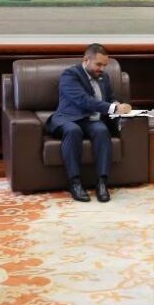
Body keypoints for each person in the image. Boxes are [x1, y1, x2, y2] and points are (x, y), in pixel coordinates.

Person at [46, 44, 132, 203]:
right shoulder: (70, 75)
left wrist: (118, 104)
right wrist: (113, 108)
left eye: (104, 65)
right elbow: (83, 100)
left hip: (91, 120)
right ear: (86, 60)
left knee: (102, 131)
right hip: (69, 118)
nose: (102, 68)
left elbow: (109, 98)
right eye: (98, 64)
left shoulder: (104, 77)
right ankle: (75, 183)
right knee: (73, 131)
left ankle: (102, 183)